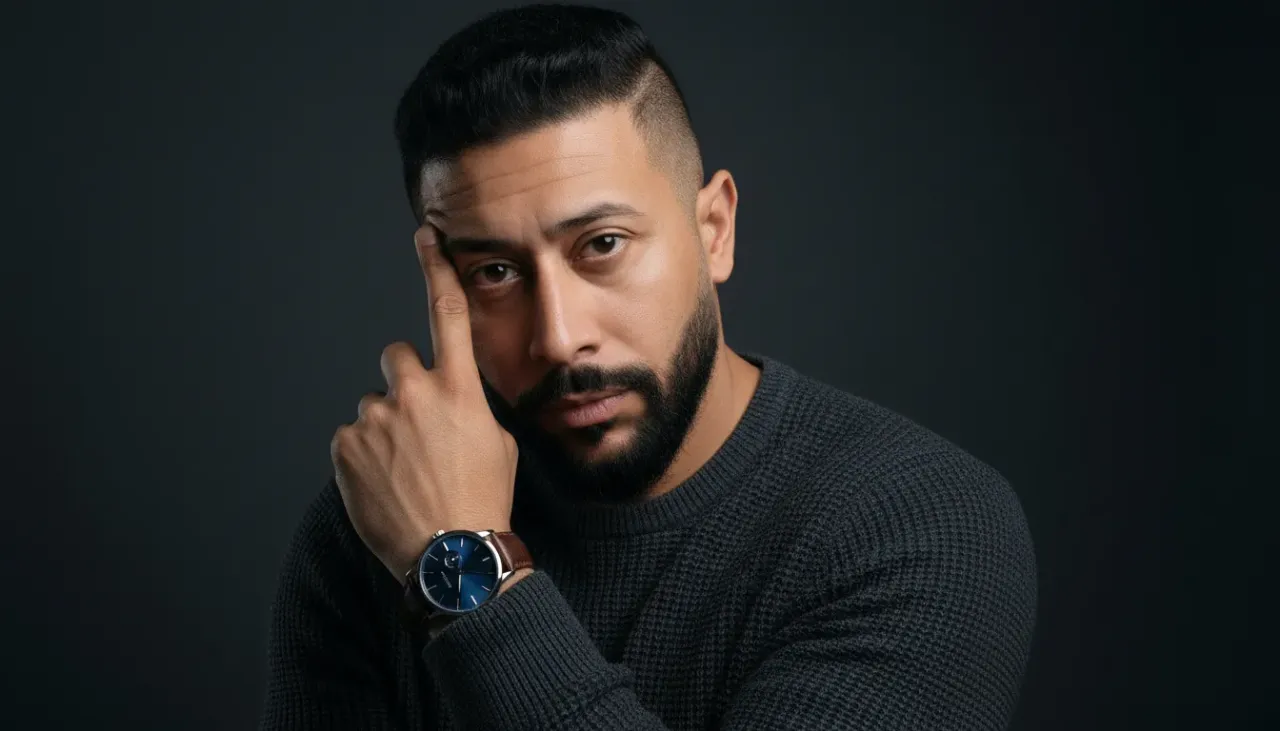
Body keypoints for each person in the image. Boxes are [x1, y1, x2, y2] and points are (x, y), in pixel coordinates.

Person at [259, 4, 1037, 730]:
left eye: (602, 245)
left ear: (715, 230)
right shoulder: (377, 523)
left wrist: (463, 567)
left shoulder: (925, 525)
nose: (560, 339)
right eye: (494, 271)